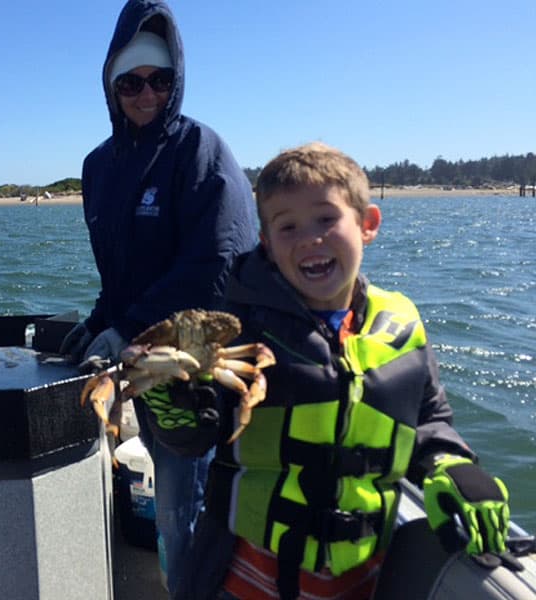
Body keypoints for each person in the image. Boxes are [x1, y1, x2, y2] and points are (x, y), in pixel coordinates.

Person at [142, 142, 510, 599]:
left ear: (368, 224)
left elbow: (428, 419)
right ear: (267, 245)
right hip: (245, 576)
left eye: (326, 219)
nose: (309, 239)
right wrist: (172, 409)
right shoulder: (238, 329)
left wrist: (452, 465)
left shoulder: (400, 323)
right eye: (288, 226)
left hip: (365, 577)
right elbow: (197, 435)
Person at [58, 0, 257, 594]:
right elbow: (121, 272)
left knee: (181, 507)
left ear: (177, 82)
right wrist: (99, 320)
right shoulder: (98, 166)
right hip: (136, 358)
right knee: (168, 506)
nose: (146, 94)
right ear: (111, 86)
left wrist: (131, 329)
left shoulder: (202, 151)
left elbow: (217, 264)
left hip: (191, 366)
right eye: (131, 82)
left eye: (160, 79)